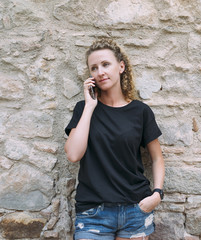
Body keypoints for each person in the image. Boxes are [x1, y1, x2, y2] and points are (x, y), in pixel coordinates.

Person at [64, 38, 165, 240]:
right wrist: (90, 107)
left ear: (121, 67)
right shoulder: (83, 109)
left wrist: (157, 195)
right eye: (93, 68)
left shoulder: (140, 111)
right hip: (94, 213)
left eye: (105, 64)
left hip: (135, 210)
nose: (100, 72)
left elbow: (157, 158)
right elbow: (74, 155)